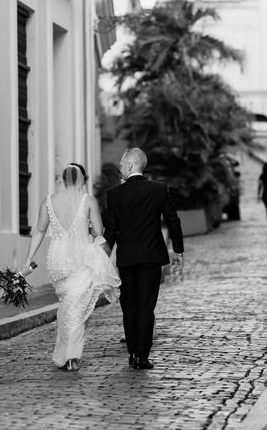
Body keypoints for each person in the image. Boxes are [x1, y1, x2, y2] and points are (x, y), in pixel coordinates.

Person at [23, 163, 121, 371]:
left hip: (57, 260)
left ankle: (66, 353)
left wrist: (28, 259)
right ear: (83, 180)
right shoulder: (87, 201)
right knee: (79, 306)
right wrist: (86, 227)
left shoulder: (48, 201)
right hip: (80, 258)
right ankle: (71, 355)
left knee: (70, 304)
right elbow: (98, 230)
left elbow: (39, 231)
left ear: (63, 180)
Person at [103, 148, 184, 370]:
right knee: (146, 307)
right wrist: (178, 250)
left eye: (121, 163)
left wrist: (99, 255)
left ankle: (132, 353)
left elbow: (110, 231)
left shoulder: (115, 194)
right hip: (150, 257)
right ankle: (142, 355)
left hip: (127, 259)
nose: (119, 167)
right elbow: (173, 220)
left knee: (129, 306)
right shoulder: (158, 189)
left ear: (130, 165)